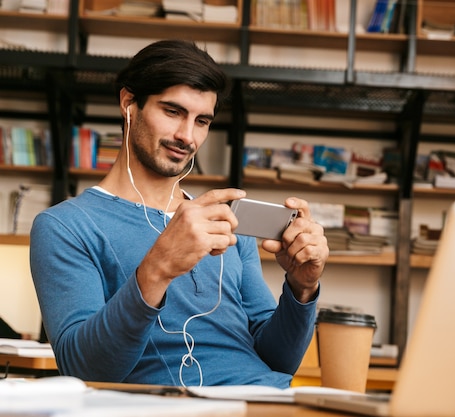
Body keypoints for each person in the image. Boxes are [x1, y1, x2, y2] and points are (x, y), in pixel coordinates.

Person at [29, 39, 329, 388]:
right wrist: (157, 268)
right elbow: (84, 369)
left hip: (272, 400)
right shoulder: (64, 226)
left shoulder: (226, 221)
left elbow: (280, 361)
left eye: (202, 120)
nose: (187, 136)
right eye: (173, 111)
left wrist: (302, 288)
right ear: (129, 103)